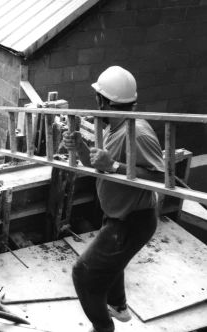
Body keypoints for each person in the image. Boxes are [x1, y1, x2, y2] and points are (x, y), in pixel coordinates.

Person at [62, 66, 165, 332]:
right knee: (111, 264)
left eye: (97, 97)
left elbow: (165, 180)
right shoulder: (113, 128)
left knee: (84, 275)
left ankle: (103, 328)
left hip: (133, 221)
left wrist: (116, 166)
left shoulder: (137, 132)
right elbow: (101, 165)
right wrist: (81, 149)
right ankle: (118, 306)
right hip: (118, 216)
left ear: (104, 101)